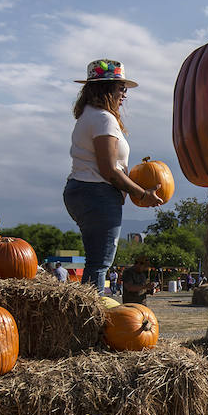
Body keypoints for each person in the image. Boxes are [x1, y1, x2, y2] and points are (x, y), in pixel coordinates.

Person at [62, 60, 161, 290]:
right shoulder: (103, 119)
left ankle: (87, 316)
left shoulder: (88, 116)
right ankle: (90, 321)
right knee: (100, 263)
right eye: (121, 88)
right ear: (106, 88)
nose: (124, 94)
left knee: (95, 260)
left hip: (83, 190)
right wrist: (142, 193)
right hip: (96, 193)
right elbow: (108, 170)